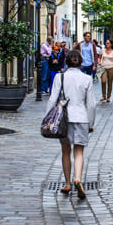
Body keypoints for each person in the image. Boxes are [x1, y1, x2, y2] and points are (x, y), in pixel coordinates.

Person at [45, 50, 96, 199]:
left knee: (65, 150)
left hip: (64, 119)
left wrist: (47, 119)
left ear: (66, 61)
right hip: (81, 117)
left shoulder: (60, 77)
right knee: (79, 151)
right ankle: (78, 178)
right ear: (81, 62)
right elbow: (91, 105)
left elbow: (52, 100)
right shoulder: (87, 79)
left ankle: (67, 183)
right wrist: (91, 123)